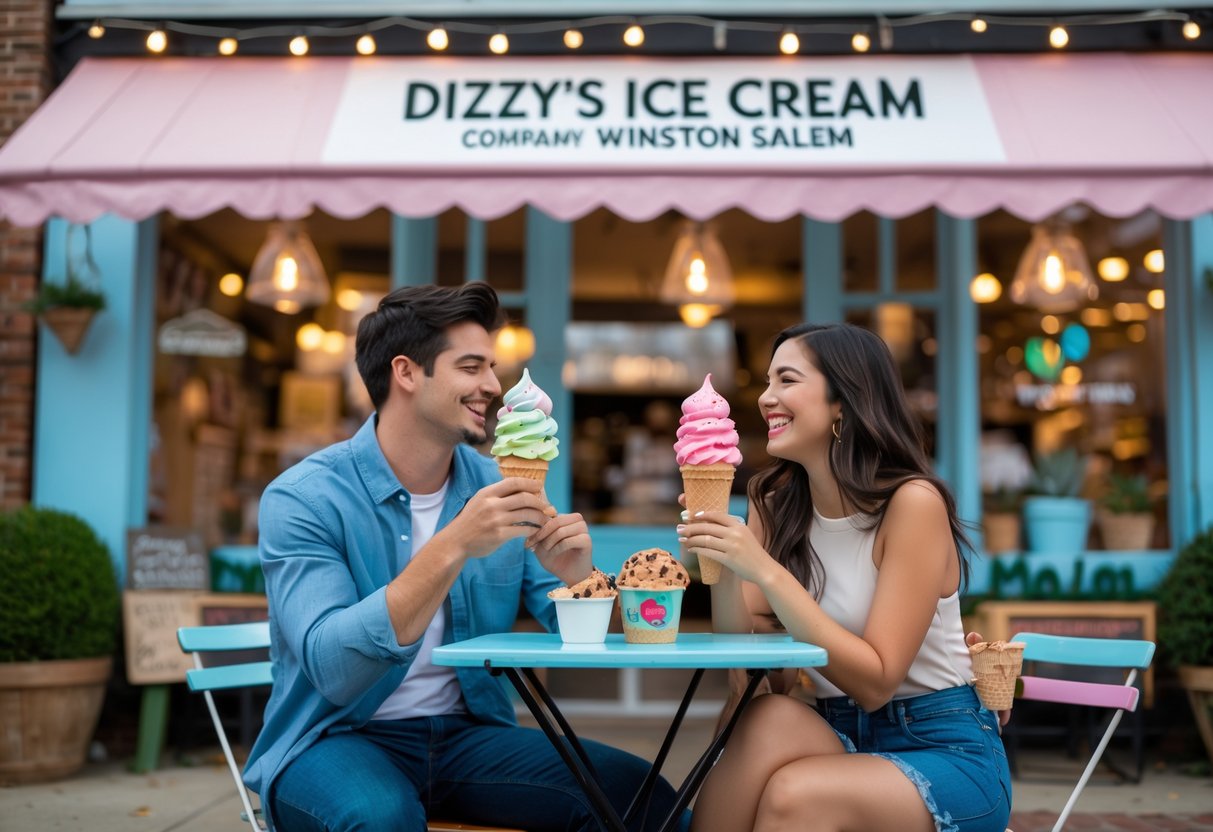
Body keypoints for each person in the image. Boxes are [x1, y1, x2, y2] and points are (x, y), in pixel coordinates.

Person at [245, 282, 677, 832]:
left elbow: (589, 638)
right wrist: (453, 543)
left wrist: (582, 580)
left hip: (466, 736)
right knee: (381, 818)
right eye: (471, 367)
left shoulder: (501, 484)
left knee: (639, 795)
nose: (493, 386)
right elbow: (333, 668)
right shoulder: (304, 497)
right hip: (333, 737)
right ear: (406, 372)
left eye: (492, 368)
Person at [680, 322, 1011, 832]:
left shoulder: (912, 505)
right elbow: (739, 645)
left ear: (843, 402)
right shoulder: (774, 502)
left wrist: (765, 571)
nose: (767, 397)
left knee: (795, 796)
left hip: (940, 744)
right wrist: (720, 561)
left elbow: (877, 683)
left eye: (787, 380)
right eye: (768, 382)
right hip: (835, 729)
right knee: (765, 718)